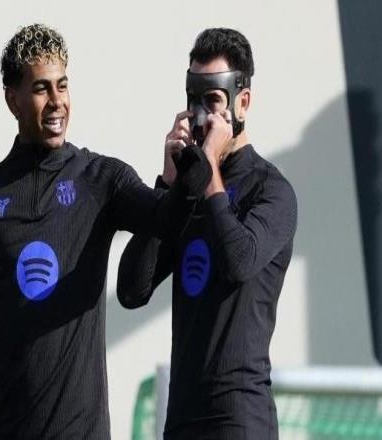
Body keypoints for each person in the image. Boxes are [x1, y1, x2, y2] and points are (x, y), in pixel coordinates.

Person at [0, 23, 210, 440]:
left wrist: (187, 175)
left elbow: (165, 219)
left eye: (62, 86)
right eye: (41, 88)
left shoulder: (101, 180)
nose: (56, 102)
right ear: (12, 100)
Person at [117, 28, 297, 439]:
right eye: (193, 100)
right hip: (183, 419)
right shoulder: (187, 191)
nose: (201, 116)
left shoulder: (271, 190)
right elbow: (132, 289)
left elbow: (238, 262)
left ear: (242, 102)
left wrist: (209, 170)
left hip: (239, 418)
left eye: (213, 101)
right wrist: (167, 188)